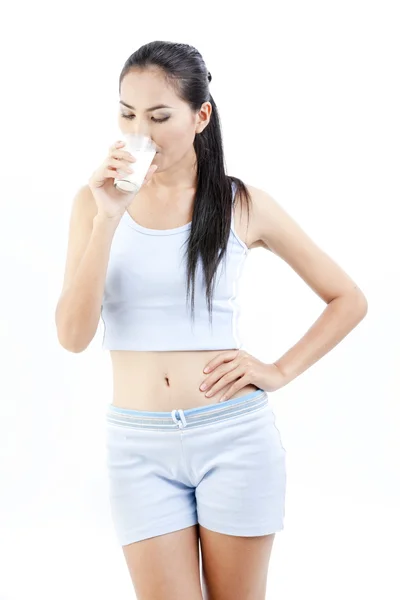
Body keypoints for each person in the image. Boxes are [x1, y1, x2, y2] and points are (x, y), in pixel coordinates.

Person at [55, 40, 368, 600]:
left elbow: (347, 298)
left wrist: (278, 369)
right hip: (137, 447)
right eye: (126, 113)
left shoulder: (240, 203)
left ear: (200, 116)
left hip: (235, 438)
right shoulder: (93, 202)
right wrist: (108, 218)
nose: (139, 132)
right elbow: (73, 337)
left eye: (158, 116)